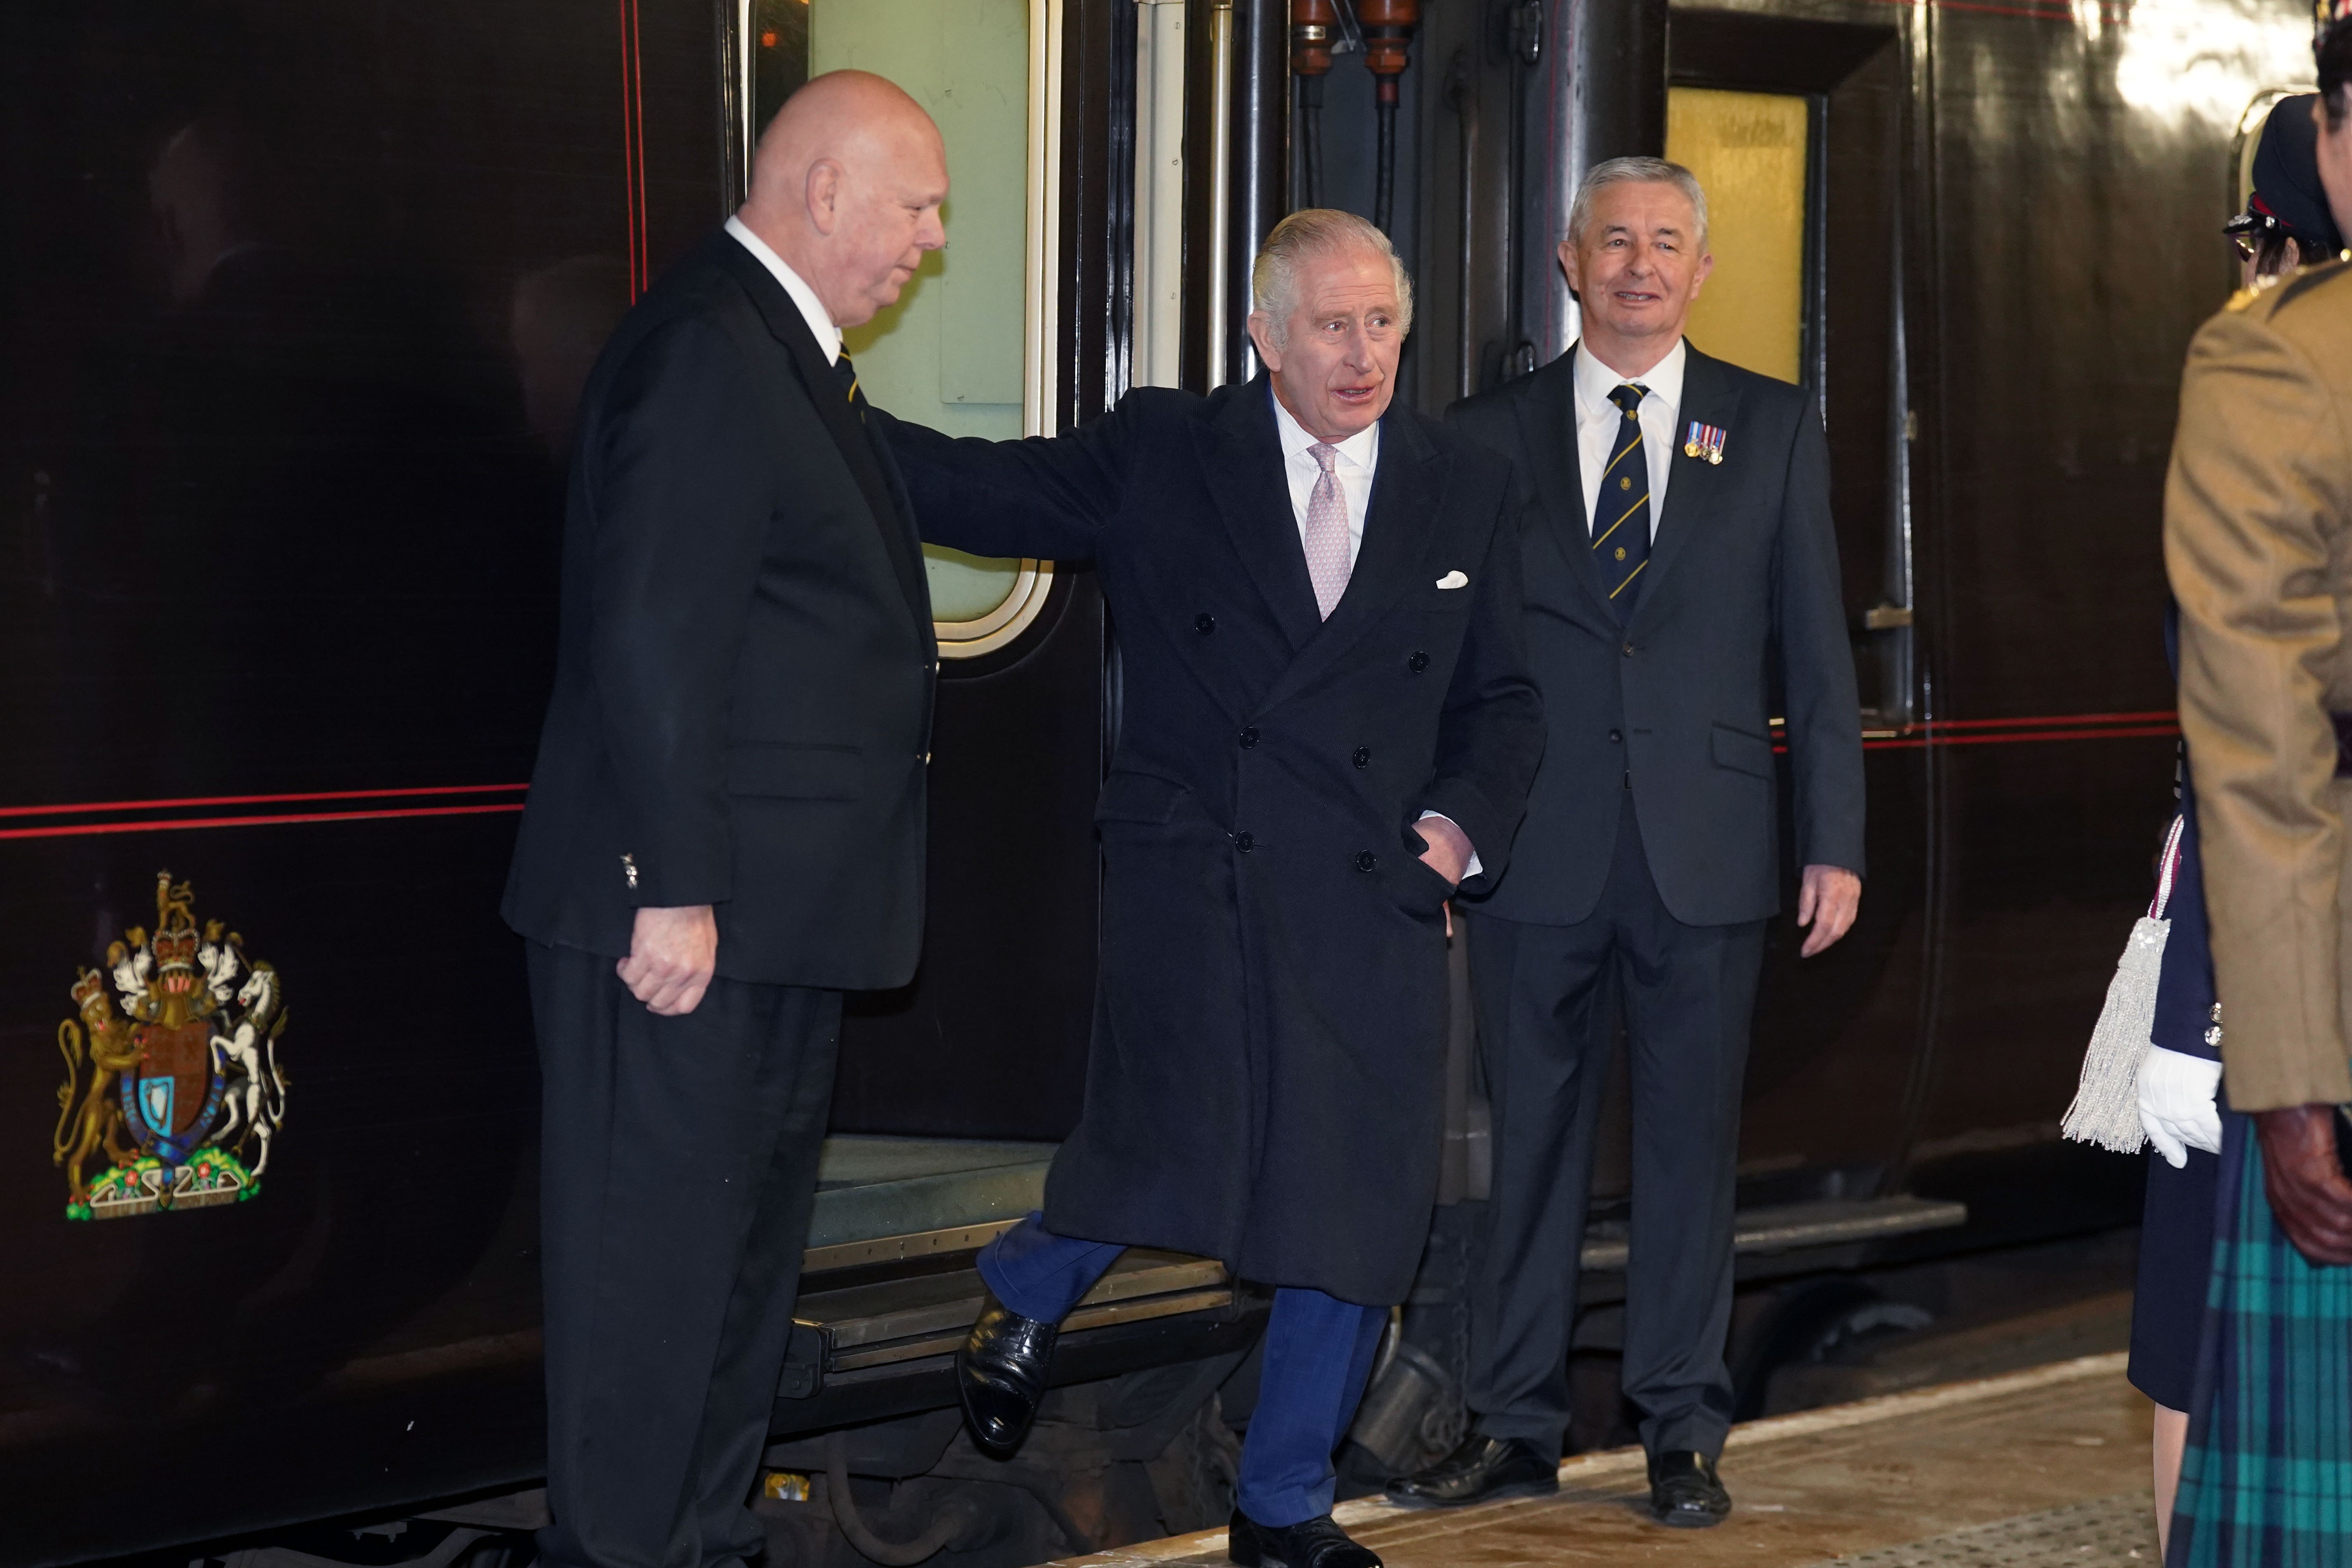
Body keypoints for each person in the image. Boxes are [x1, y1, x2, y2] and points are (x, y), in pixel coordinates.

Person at [870, 208, 1544, 1568]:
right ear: (1266, 335)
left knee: (1355, 1213)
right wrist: (810, 408)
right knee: (1166, 1151)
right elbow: (979, 490)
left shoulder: (1462, 480)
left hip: (1372, 897)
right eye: (1334, 327)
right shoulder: (1170, 452)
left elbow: (1509, 699)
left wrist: (1453, 833)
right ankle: (1024, 1280)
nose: (1365, 356)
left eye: (1384, 326)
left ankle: (1284, 1510)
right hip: (1205, 879)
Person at [498, 72, 945, 1568]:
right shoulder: (708, 347)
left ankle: (691, 1548)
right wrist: (674, 885)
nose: (933, 242)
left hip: (767, 919)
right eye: (917, 204)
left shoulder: (779, 351)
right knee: (653, 1298)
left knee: (734, 1296)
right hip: (686, 926)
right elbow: (651, 635)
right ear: (823, 192)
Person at [1389, 156, 1866, 1526]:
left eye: (1666, 243)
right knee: (1527, 1148)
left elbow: (1815, 654)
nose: (1640, 265)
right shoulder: (1487, 434)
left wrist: (1831, 840)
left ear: (1702, 270)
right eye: (1615, 243)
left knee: (1685, 1153)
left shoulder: (1768, 428)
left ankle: (1680, 1432)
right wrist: (1436, 830)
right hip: (1536, 848)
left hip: (1710, 853)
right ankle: (1517, 1424)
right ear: (1569, 262)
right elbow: (1446, 659)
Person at [2124, 94, 2345, 1562]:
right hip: (2249, 927)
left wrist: (2287, 1069)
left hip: (2284, 951)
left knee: (2212, 1330)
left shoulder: (2279, 368)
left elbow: (2258, 755)